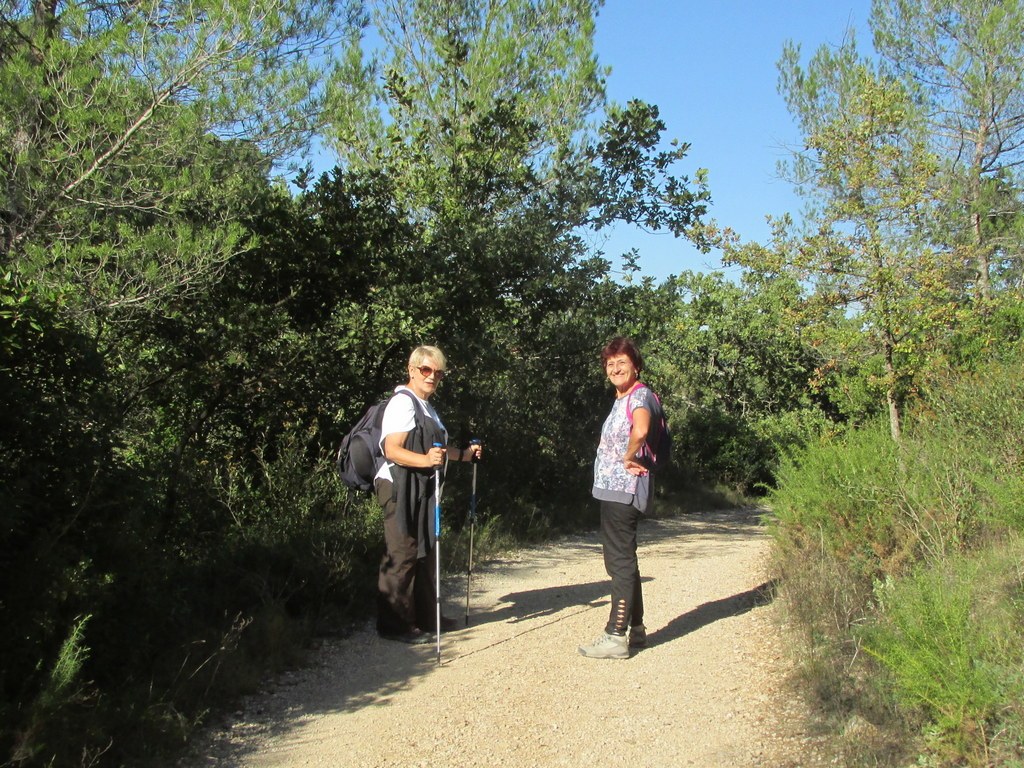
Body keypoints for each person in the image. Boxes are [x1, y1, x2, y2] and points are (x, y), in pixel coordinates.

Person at [374, 345, 483, 644]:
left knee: (425, 550)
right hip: (398, 486)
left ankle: (425, 617)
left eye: (438, 372)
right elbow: (391, 449)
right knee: (403, 551)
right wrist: (425, 461)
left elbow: (436, 448)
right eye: (426, 370)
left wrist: (464, 455)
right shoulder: (403, 403)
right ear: (412, 370)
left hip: (421, 489)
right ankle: (395, 625)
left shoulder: (426, 406)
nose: (432, 376)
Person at [579, 336, 654, 659]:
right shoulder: (622, 397)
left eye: (622, 362)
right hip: (614, 489)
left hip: (624, 488)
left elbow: (641, 430)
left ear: (636, 365)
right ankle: (636, 629)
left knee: (619, 561)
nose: (615, 368)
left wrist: (628, 455)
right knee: (624, 558)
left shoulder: (640, 396)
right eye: (610, 364)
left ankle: (615, 635)